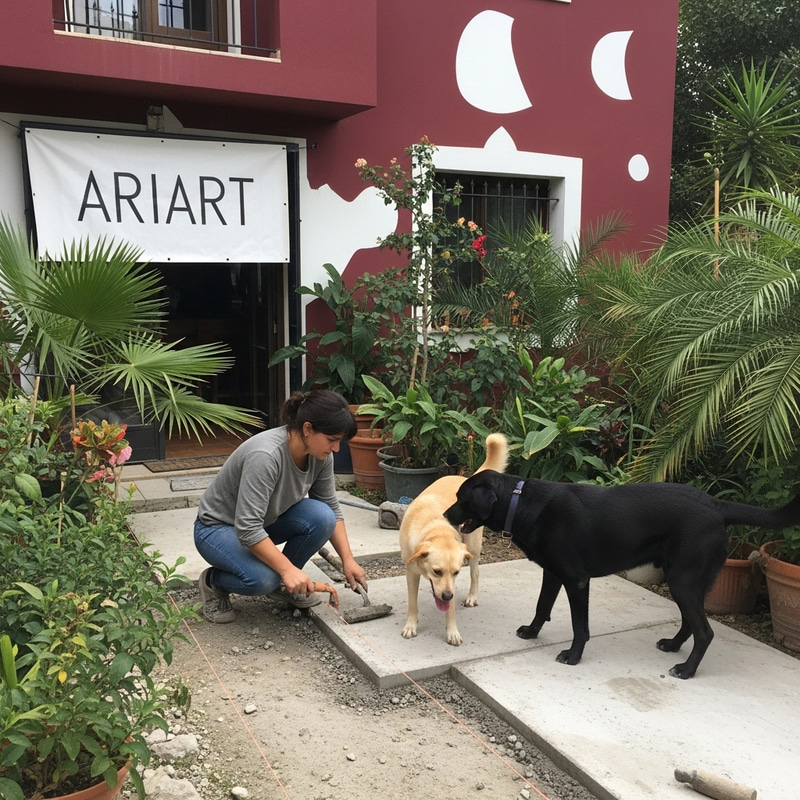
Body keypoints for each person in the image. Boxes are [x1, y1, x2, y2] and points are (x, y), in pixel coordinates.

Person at [194, 389, 367, 623]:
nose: (336, 448)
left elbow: (332, 508)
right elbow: (248, 529)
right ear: (307, 429)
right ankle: (214, 582)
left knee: (322, 516)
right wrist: (285, 570)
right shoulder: (265, 455)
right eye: (332, 440)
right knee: (263, 579)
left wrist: (348, 560)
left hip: (263, 524)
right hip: (216, 529)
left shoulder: (321, 455)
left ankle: (286, 585)